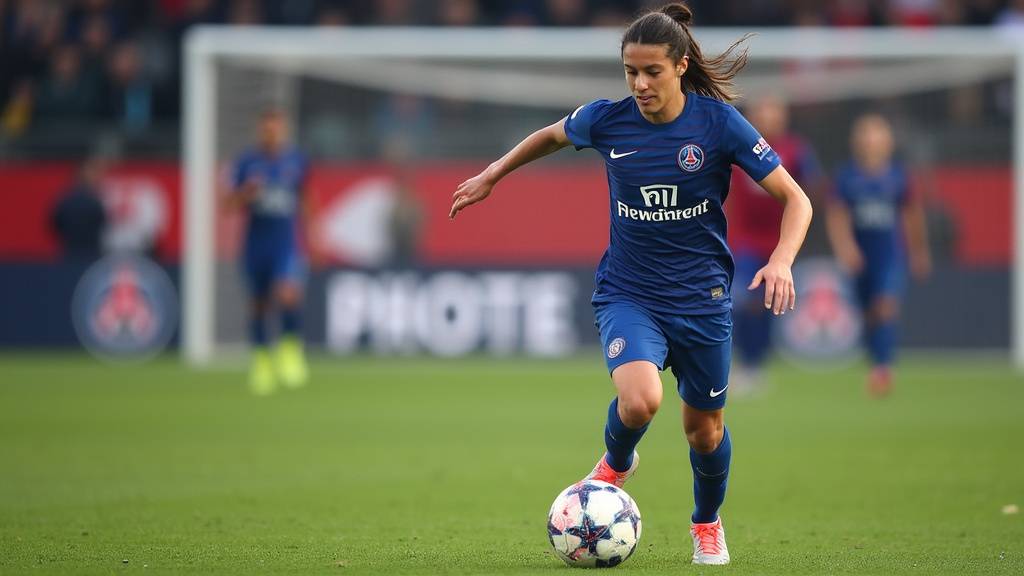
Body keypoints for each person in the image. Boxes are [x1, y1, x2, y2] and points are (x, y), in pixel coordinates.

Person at [449, 3, 812, 565]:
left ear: (681, 67)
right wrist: (492, 175)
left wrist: (782, 260)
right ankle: (616, 463)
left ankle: (706, 521)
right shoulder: (607, 119)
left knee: (704, 433)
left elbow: (796, 199)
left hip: (703, 300)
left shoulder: (719, 125)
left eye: (652, 72)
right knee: (641, 401)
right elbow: (548, 136)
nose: (640, 84)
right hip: (629, 292)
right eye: (630, 72)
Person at [826, 113, 930, 397]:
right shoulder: (847, 176)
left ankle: (883, 369)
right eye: (865, 135)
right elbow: (837, 215)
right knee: (869, 313)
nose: (871, 141)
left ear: (888, 142)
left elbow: (912, 215)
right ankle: (876, 360)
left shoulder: (898, 176)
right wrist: (846, 248)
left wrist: (919, 251)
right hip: (861, 258)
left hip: (890, 255)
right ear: (856, 142)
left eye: (877, 135)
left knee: (885, 306)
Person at [727, 95, 823, 393]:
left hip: (779, 242)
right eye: (762, 109)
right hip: (744, 240)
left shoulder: (795, 151)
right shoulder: (738, 145)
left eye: (773, 110)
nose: (768, 116)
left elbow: (814, 188)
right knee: (742, 299)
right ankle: (744, 363)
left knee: (767, 303)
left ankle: (756, 364)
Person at [227, 108, 312, 395]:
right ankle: (262, 361)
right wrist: (244, 194)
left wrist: (314, 237)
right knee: (259, 304)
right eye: (267, 128)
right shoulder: (246, 163)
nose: (272, 133)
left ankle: (290, 351)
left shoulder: (296, 160)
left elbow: (307, 199)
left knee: (288, 293)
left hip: (285, 243)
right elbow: (227, 205)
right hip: (256, 244)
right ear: (260, 130)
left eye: (276, 127)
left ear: (283, 129)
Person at [51, 158, 108, 263]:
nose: (96, 177)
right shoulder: (70, 201)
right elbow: (56, 222)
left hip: (84, 252)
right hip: (77, 252)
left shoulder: (66, 199)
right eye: (92, 173)